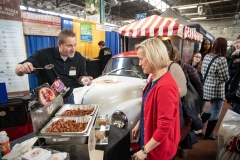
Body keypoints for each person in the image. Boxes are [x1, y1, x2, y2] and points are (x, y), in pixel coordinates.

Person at [132, 37, 180, 160]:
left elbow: (164, 127)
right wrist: (139, 124)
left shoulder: (165, 87)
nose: (140, 63)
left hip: (159, 151)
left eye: (141, 59)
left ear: (153, 57)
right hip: (151, 141)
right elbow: (148, 108)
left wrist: (145, 150)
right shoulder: (154, 78)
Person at [15, 29, 93, 104]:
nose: (73, 49)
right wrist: (23, 68)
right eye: (69, 46)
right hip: (48, 102)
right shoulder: (43, 55)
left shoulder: (78, 57)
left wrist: (84, 79)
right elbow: (18, 70)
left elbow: (80, 77)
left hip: (68, 99)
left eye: (75, 45)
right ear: (59, 44)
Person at [201, 37, 229, 140]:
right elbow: (224, 77)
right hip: (217, 89)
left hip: (207, 87)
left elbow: (203, 71)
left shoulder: (207, 56)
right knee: (217, 109)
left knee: (213, 108)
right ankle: (207, 132)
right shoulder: (222, 59)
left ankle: (198, 126)